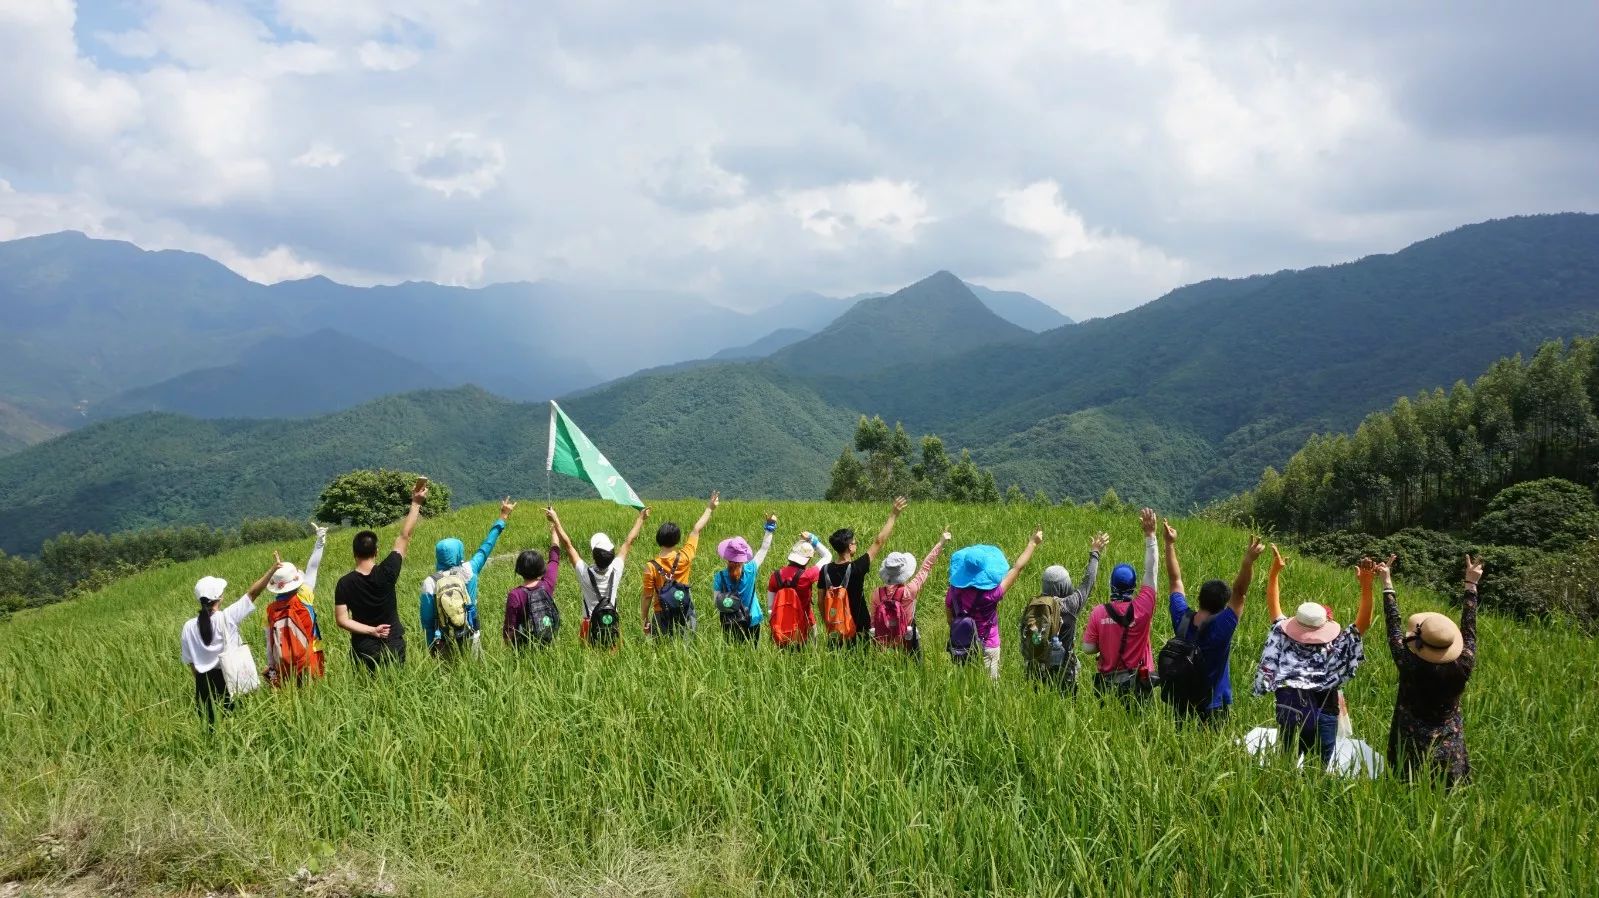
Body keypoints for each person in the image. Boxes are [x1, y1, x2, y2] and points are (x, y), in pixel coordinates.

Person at [1251, 550, 1374, 766]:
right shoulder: (1335, 645)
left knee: (1287, 760)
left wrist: (1274, 572)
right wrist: (1366, 585)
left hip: (1289, 706)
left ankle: (1285, 795)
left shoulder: (1282, 635)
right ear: (1324, 624)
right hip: (1324, 710)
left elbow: (1273, 604)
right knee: (1319, 766)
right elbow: (1362, 624)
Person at [1383, 554, 1481, 788]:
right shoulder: (1463, 664)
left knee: (1403, 786)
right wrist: (1471, 585)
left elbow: (1393, 627)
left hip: (1408, 738)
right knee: (1448, 793)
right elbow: (1470, 629)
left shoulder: (1408, 664)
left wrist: (1387, 583)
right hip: (1449, 740)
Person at [1161, 522, 1263, 723]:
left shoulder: (1182, 619)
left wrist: (1169, 544)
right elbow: (1240, 593)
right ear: (1224, 604)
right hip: (1213, 705)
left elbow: (1175, 581)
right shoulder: (1222, 627)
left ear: (1199, 598)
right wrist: (1248, 561)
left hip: (1181, 701)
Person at [335, 478, 429, 671]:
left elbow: (342, 620)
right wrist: (416, 503)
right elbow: (405, 536)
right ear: (376, 551)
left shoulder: (344, 583)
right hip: (393, 642)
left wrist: (371, 630)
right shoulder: (388, 571)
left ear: (354, 553)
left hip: (364, 648)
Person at [180, 562, 275, 728]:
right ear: (220, 597)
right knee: (241, 724)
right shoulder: (227, 617)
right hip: (229, 678)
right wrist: (273, 570)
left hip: (203, 685)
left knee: (211, 729)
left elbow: (192, 665)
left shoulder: (188, 626)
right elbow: (253, 593)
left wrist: (202, 681)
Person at [420, 497, 516, 658]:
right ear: (459, 552)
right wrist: (503, 516)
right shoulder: (470, 569)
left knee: (447, 677)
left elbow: (427, 620)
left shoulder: (430, 582)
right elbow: (487, 546)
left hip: (443, 637)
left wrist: (432, 645)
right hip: (470, 630)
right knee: (474, 669)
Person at [1082, 507, 1161, 699]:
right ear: (1135, 586)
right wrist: (1150, 535)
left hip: (1107, 686)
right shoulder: (1143, 607)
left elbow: (1087, 648)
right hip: (1139, 684)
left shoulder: (1099, 612)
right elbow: (1151, 572)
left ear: (1111, 585)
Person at [945, 528, 1045, 680]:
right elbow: (1017, 568)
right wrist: (1032, 543)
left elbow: (950, 618)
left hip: (961, 644)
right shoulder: (991, 595)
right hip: (988, 643)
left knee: (965, 683)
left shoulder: (954, 590)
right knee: (990, 687)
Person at [548, 505, 649, 645]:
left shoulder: (584, 572)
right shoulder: (616, 569)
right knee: (613, 663)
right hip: (612, 622)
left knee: (588, 661)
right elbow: (628, 542)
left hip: (588, 624)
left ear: (593, 556)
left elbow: (568, 545)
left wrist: (555, 520)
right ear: (612, 555)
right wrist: (640, 518)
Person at [1020, 531, 1107, 693]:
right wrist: (1095, 552)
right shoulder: (1070, 604)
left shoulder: (1035, 604)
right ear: (1064, 584)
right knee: (1066, 705)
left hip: (1035, 669)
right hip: (1063, 669)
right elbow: (1089, 581)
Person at [820, 496, 908, 647]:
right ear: (849, 547)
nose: (856, 544)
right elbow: (879, 541)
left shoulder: (825, 570)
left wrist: (829, 623)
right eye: (854, 542)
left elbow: (821, 601)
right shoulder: (856, 568)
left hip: (835, 626)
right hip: (859, 625)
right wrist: (893, 515)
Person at [642, 491, 720, 638]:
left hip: (661, 613)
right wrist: (710, 508)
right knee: (686, 650)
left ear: (658, 538)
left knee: (661, 653)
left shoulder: (651, 566)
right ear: (677, 540)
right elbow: (697, 529)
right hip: (684, 610)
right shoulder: (685, 556)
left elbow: (647, 596)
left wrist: (645, 619)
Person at [262, 525, 331, 686]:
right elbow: (312, 568)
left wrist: (273, 672)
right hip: (311, 657)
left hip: (285, 667)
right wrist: (320, 541)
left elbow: (269, 645)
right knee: (316, 699)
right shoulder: (305, 595)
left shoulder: (269, 611)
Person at [872, 526, 951, 656]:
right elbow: (926, 567)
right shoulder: (910, 590)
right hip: (907, 635)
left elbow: (873, 619)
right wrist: (941, 543)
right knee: (915, 664)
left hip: (884, 640)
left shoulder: (877, 593)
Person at [712, 513, 778, 643]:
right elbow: (764, 549)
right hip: (752, 618)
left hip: (730, 621)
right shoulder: (751, 568)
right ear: (744, 556)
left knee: (733, 654)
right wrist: (770, 527)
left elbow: (717, 603)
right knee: (752, 652)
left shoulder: (719, 577)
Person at [766, 531, 834, 648]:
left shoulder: (775, 576)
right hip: (807, 622)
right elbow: (828, 556)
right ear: (807, 560)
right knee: (809, 655)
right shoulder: (807, 575)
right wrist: (813, 539)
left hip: (782, 625)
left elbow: (770, 607)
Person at [503, 518, 563, 648]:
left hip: (524, 647)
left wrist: (509, 648)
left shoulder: (515, 595)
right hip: (548, 640)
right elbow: (554, 558)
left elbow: (509, 628)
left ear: (519, 569)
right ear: (541, 567)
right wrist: (554, 533)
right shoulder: (547, 585)